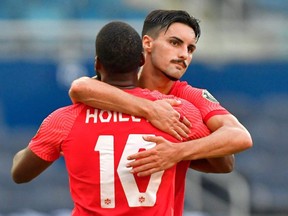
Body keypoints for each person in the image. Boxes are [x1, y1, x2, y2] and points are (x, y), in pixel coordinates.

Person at [11, 21, 216, 216]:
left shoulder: (64, 120)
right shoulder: (174, 111)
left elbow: (19, 174)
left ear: (97, 64)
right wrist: (179, 153)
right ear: (142, 60)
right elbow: (223, 163)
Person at [69, 10, 253, 215]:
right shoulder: (116, 86)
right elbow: (79, 88)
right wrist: (150, 109)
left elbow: (238, 139)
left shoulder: (189, 97)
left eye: (190, 48)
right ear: (147, 43)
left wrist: (177, 152)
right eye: (175, 43)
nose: (184, 54)